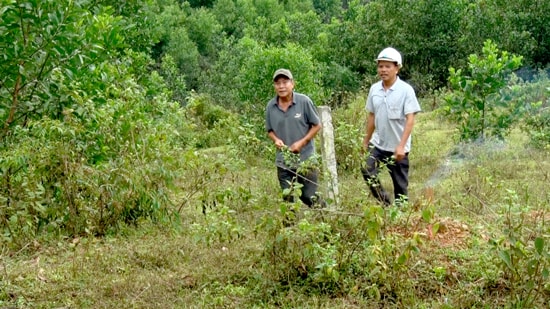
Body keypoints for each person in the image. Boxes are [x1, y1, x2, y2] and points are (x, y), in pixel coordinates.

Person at [362, 47, 422, 206]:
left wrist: (401, 146)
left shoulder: (405, 90)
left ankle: (401, 218)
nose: (383, 70)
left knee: (400, 188)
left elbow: (410, 119)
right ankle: (385, 203)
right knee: (366, 169)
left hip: (398, 147)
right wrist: (365, 140)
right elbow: (372, 116)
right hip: (378, 144)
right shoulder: (374, 89)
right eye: (380, 66)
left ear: (397, 68)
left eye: (387, 66)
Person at [265, 68, 324, 207]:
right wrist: (276, 140)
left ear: (292, 84)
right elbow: (270, 130)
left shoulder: (304, 102)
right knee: (287, 200)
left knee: (309, 197)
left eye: (285, 82)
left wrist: (302, 143)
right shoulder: (270, 106)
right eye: (278, 83)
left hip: (306, 160)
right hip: (283, 161)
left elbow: (317, 126)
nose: (281, 86)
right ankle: (288, 227)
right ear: (274, 86)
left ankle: (327, 219)